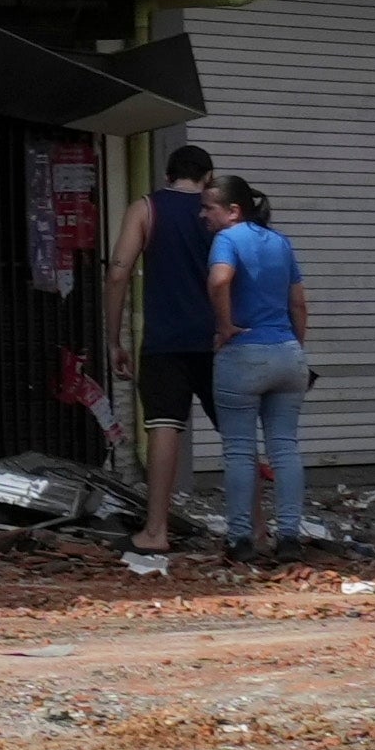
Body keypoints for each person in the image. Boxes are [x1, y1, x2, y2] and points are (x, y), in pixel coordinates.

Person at [204, 171, 319, 556]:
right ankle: (288, 537)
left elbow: (220, 282)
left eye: (209, 208)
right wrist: (294, 348)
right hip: (287, 354)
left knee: (239, 449)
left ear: (233, 211)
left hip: (243, 356)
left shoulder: (226, 239)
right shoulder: (281, 243)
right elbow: (299, 304)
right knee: (285, 448)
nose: (203, 216)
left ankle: (241, 539)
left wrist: (225, 327)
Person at [123, 140, 223, 547]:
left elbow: (117, 272)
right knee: (236, 435)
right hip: (217, 340)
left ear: (167, 176)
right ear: (208, 180)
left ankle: (155, 530)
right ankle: (256, 529)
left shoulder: (146, 208)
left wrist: (114, 339)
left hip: (164, 341)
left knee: (164, 430)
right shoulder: (217, 214)